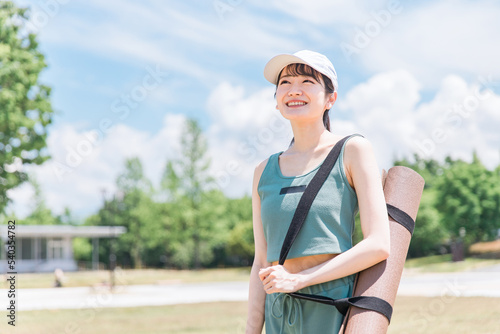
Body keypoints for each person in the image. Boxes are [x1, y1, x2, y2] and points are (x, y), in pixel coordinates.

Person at [245, 50, 391, 334]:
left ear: (330, 98)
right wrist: (251, 330)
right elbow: (261, 262)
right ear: (276, 101)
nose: (293, 90)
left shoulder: (352, 150)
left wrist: (300, 280)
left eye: (307, 81)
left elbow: (378, 244)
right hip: (278, 312)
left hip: (330, 308)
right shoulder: (263, 171)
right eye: (285, 83)